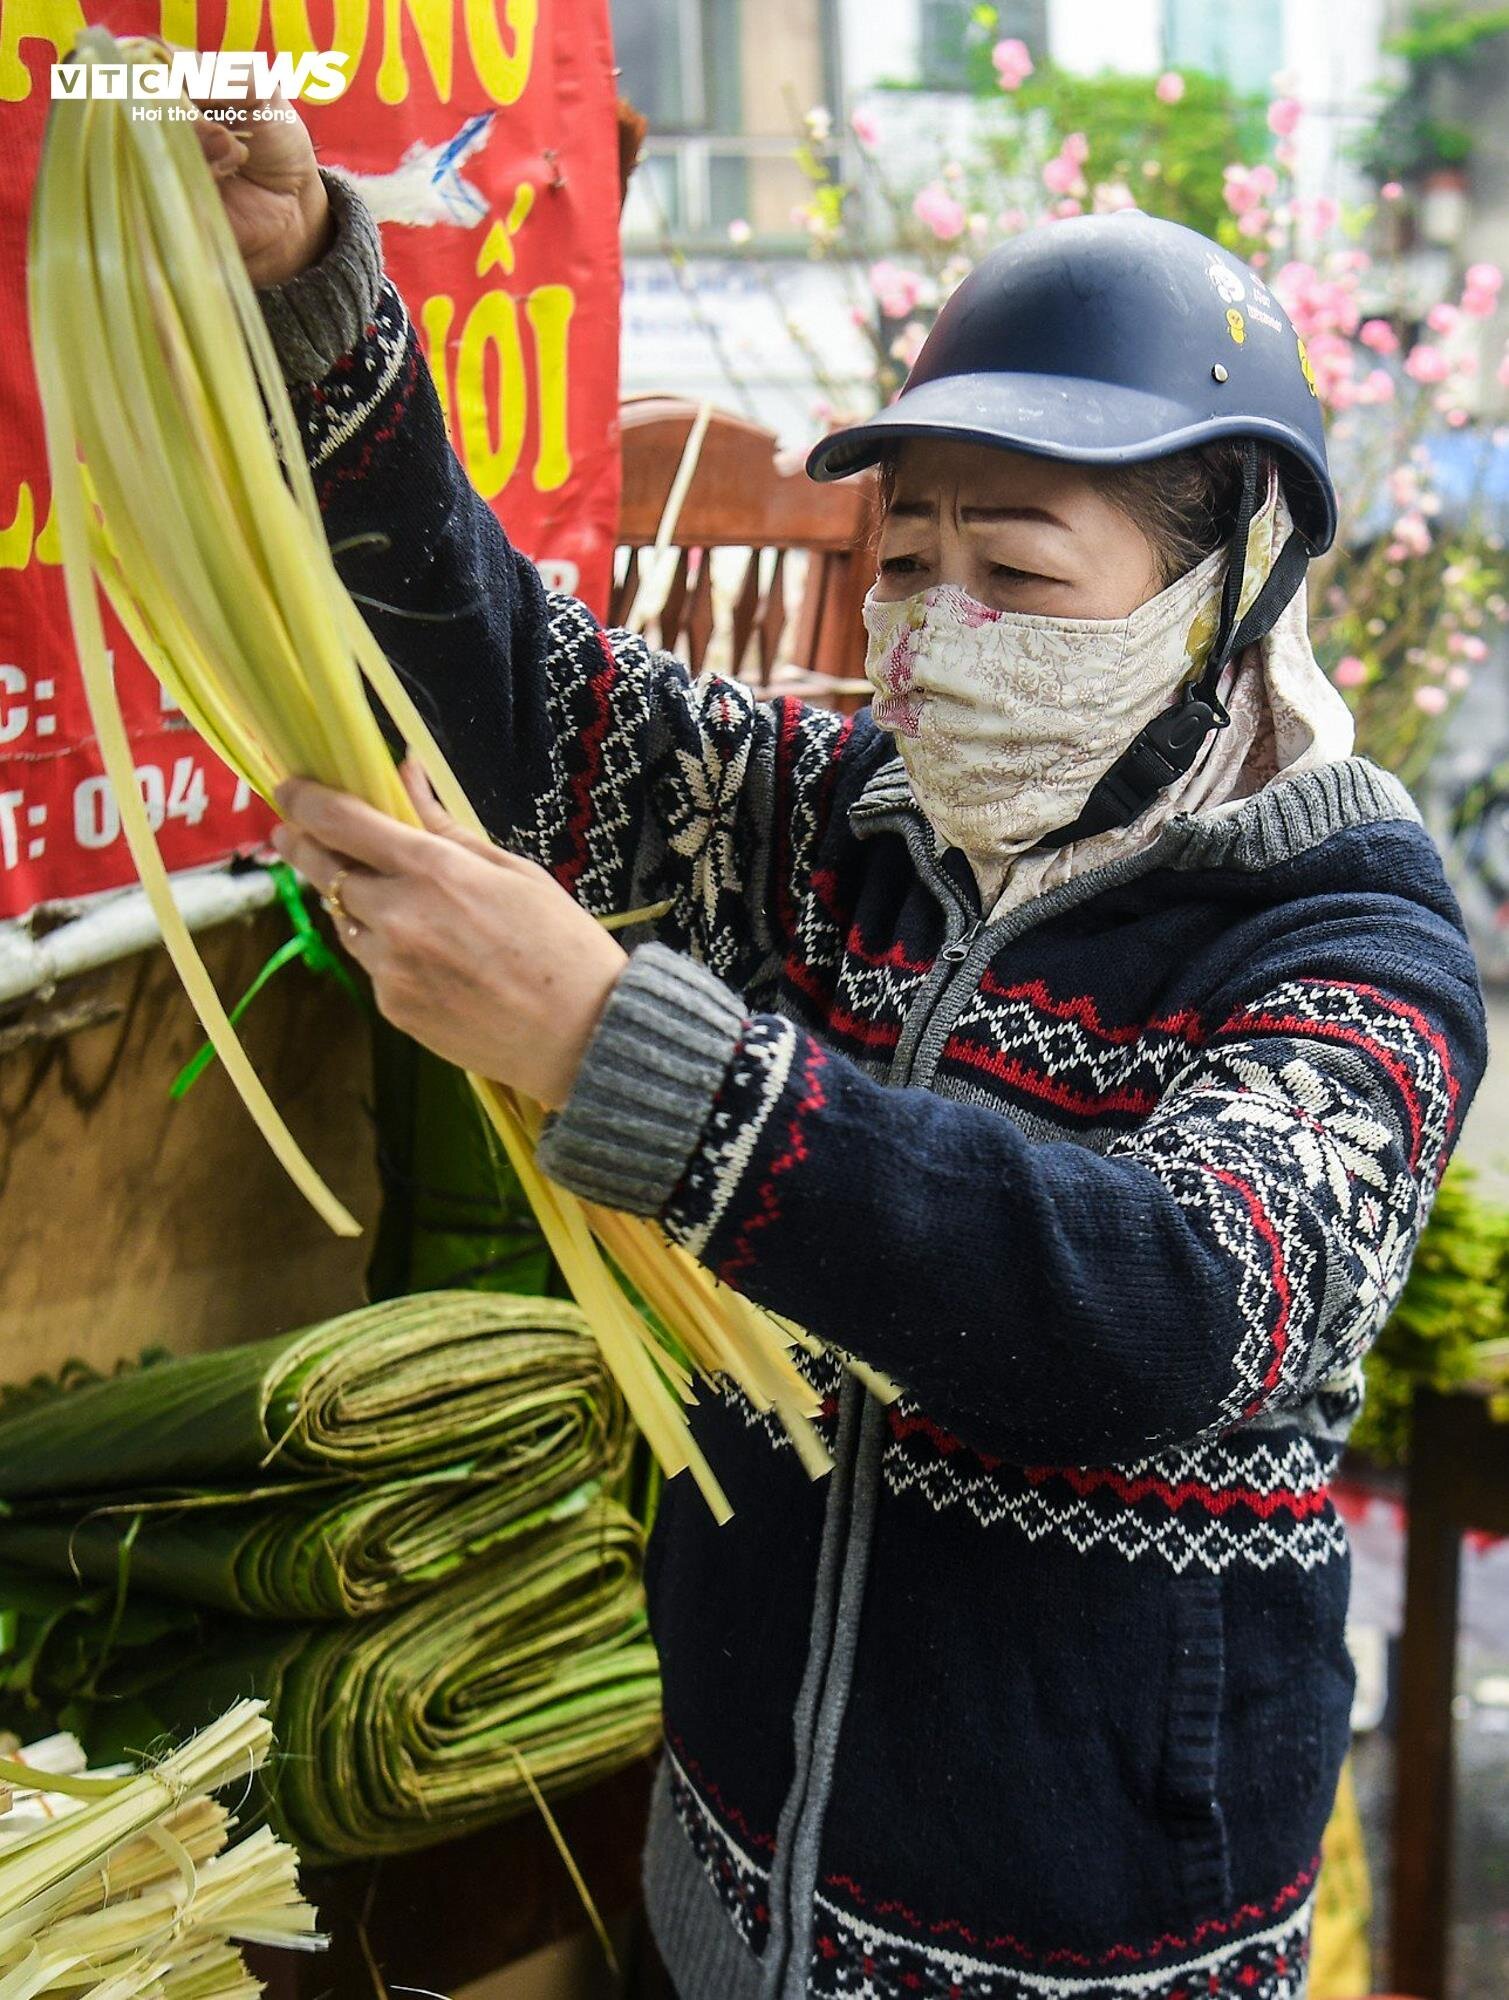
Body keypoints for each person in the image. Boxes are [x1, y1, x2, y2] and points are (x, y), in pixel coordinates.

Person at [202, 101, 1487, 2000]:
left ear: (1236, 586)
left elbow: (1163, 1308)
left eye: (1023, 574)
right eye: (907, 560)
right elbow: (518, 699)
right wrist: (317, 292)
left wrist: (621, 1048)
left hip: (1083, 1945)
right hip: (731, 1865)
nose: (939, 632)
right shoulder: (841, 818)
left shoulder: (1355, 947)